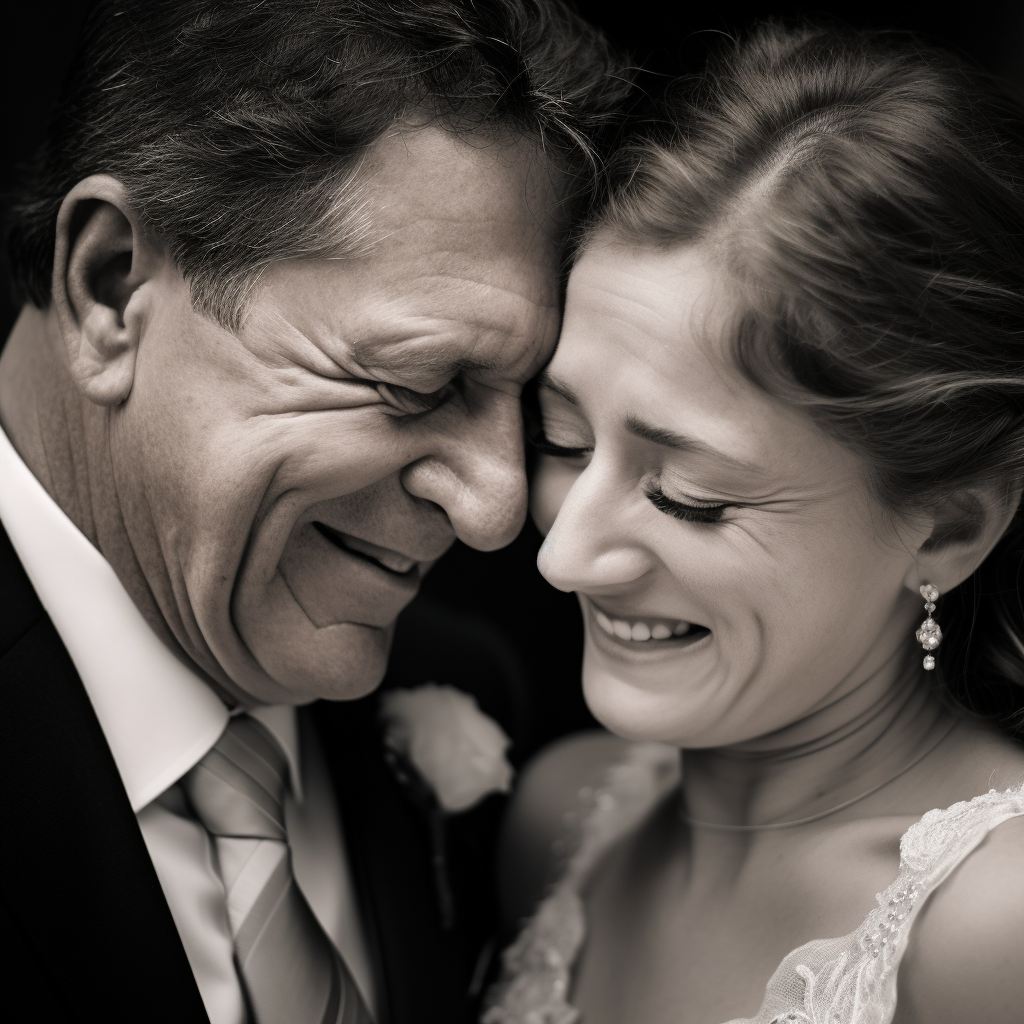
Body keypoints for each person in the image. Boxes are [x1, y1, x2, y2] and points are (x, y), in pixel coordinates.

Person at [0, 2, 631, 1022]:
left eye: (534, 412)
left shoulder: (467, 692)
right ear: (110, 290)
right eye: (419, 382)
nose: (497, 512)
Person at [485, 23, 1024, 1024]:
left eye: (688, 494)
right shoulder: (560, 820)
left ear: (948, 527)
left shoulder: (997, 929)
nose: (563, 555)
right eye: (561, 437)